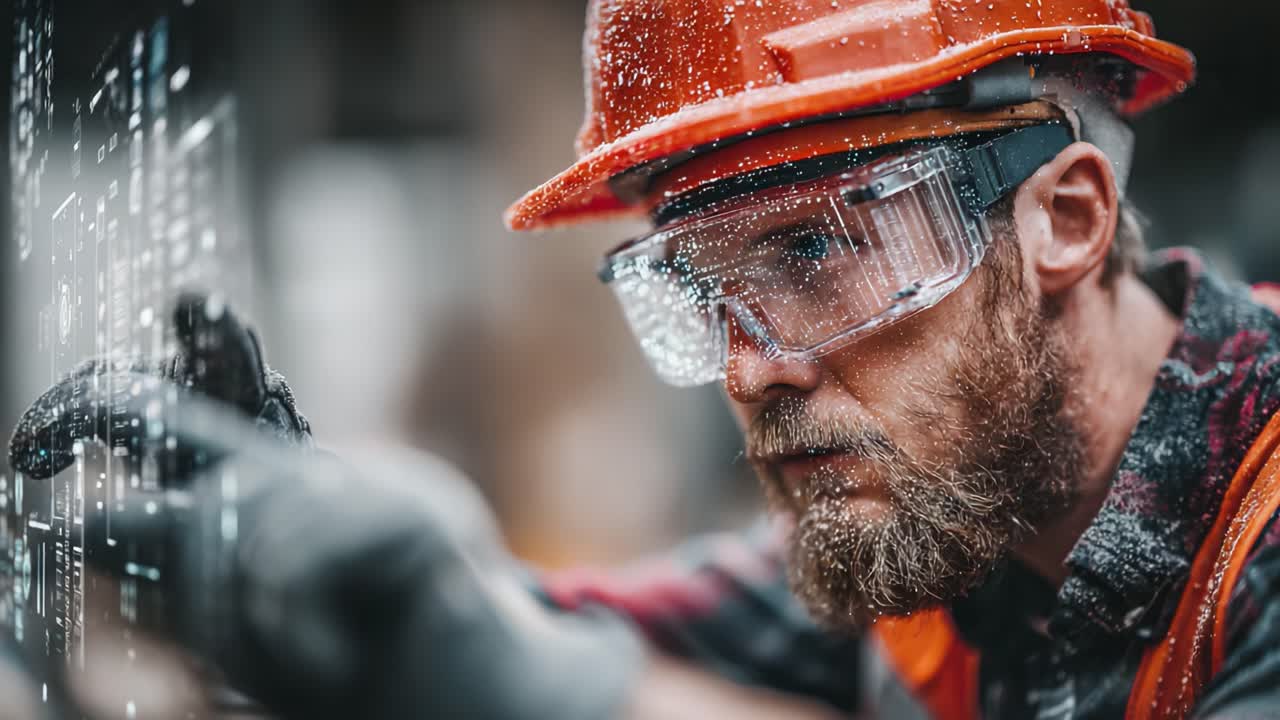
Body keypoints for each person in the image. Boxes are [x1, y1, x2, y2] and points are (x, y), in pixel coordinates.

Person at [11, 2, 1280, 719]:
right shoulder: (950, 540)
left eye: (818, 248)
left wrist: (515, 675)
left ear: (1063, 219)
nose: (749, 368)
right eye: (700, 287)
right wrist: (329, 582)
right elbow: (562, 628)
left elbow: (543, 673)